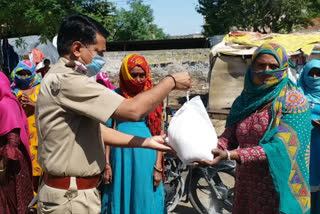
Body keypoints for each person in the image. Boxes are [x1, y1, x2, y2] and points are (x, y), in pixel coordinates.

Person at [35, 14, 191, 214]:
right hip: (70, 197)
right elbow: (133, 110)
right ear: (76, 49)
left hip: (75, 193)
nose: (102, 59)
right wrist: (170, 81)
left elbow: (97, 131)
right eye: (98, 52)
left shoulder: (65, 78)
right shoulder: (67, 81)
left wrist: (146, 142)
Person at [201, 43, 311, 214]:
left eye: (273, 66)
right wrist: (211, 150)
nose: (266, 71)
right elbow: (230, 135)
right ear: (252, 66)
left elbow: (281, 147)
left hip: (279, 186)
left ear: (283, 68)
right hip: (247, 185)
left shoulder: (294, 101)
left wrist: (231, 155)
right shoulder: (245, 100)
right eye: (261, 65)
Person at [101, 54, 166, 214]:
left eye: (141, 75)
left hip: (145, 157)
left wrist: (158, 167)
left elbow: (160, 133)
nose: (138, 79)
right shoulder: (114, 96)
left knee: (144, 196)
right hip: (120, 157)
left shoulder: (153, 97)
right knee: (120, 194)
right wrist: (107, 163)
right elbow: (108, 132)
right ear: (125, 75)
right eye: (133, 75)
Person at [0, 71, 34, 214]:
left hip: (9, 165)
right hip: (7, 161)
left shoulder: (6, 104)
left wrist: (2, 166)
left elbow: (13, 140)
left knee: (11, 201)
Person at [11, 60, 42, 192]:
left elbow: (52, 108)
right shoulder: (12, 91)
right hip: (22, 138)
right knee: (23, 173)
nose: (23, 77)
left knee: (40, 175)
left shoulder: (41, 88)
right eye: (21, 73)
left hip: (39, 138)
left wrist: (34, 105)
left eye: (27, 73)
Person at [297, 59, 320, 214]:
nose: (314, 77)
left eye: (318, 73)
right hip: (301, 146)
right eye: (310, 73)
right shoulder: (297, 94)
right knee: (302, 183)